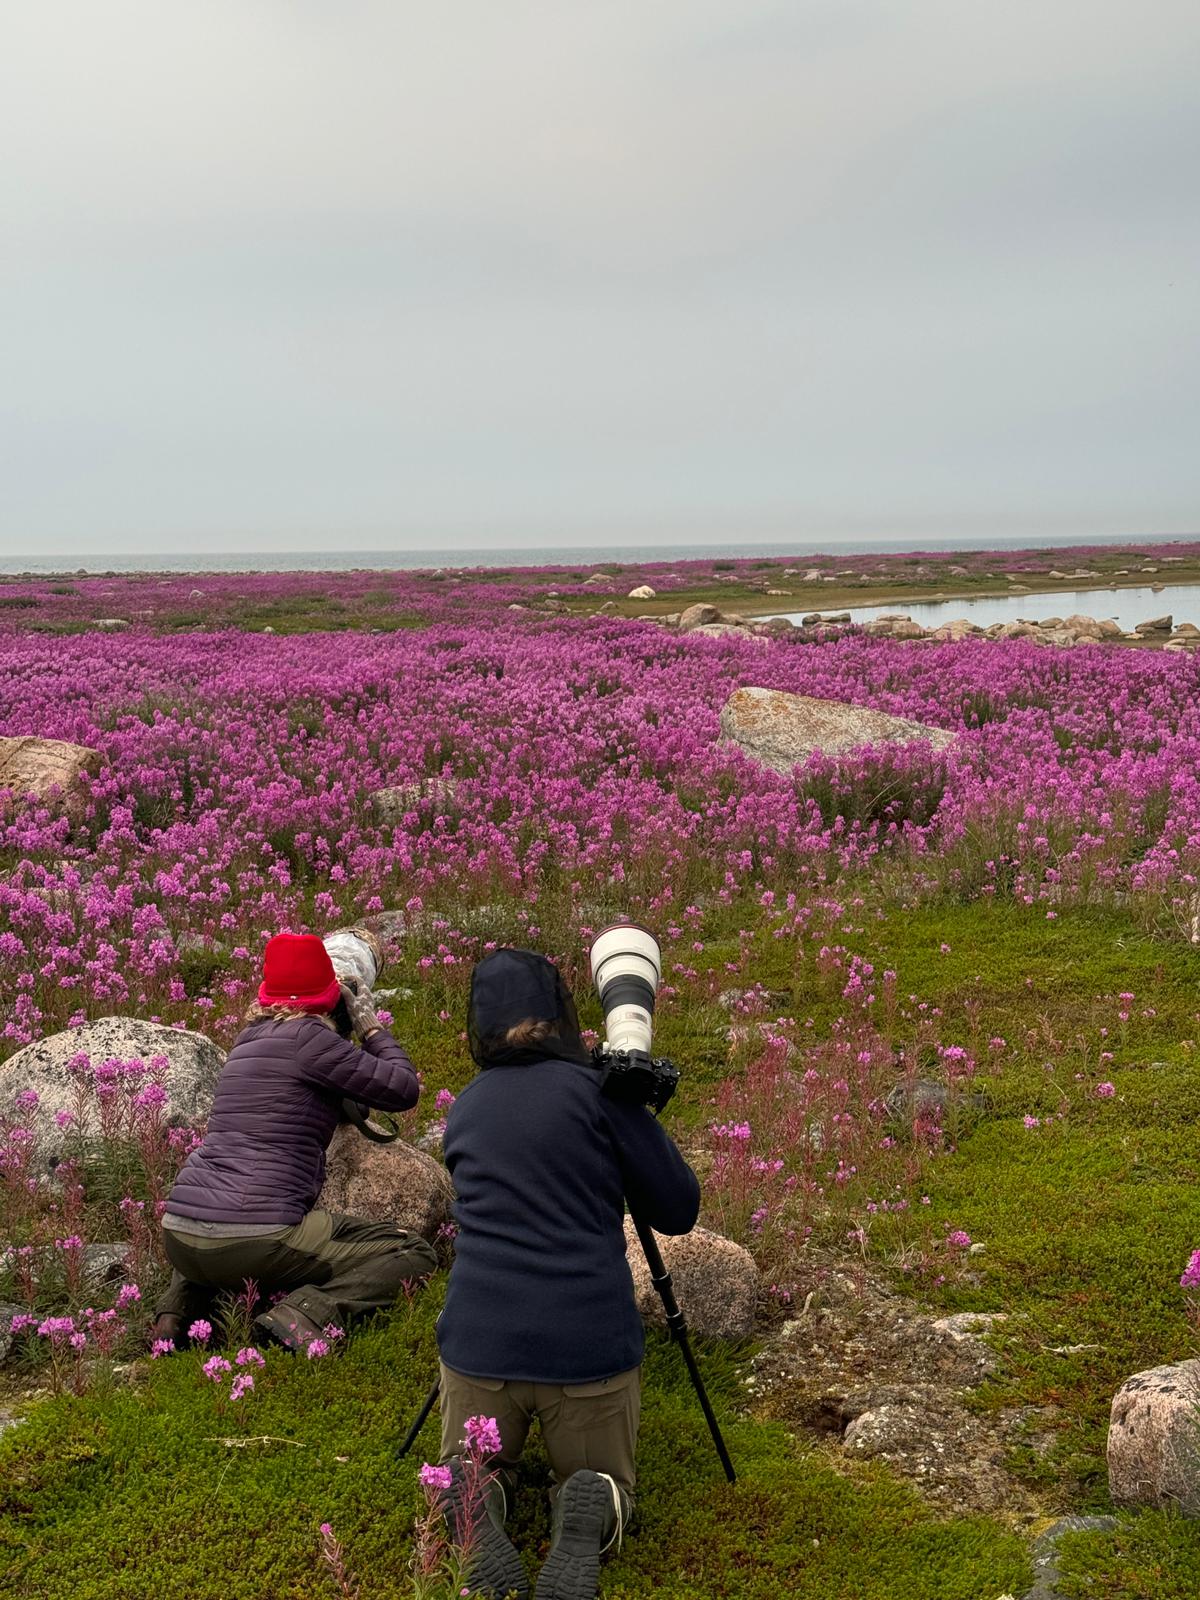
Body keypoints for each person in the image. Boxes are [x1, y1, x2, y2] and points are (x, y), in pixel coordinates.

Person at [435, 948, 700, 1600]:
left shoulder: (464, 1108)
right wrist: (634, 1118)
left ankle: (470, 1492)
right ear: (565, 1015)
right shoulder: (603, 1096)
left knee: (471, 1465)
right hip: (586, 1351)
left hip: (479, 1345)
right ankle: (596, 1501)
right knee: (604, 1480)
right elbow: (678, 1209)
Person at [151, 931, 437, 1351]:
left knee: (218, 1226)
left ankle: (175, 1314)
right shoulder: (312, 1040)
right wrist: (370, 1026)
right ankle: (305, 1314)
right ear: (328, 995)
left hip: (179, 1236)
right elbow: (402, 1088)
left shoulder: (246, 1041)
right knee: (410, 1252)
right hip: (255, 1238)